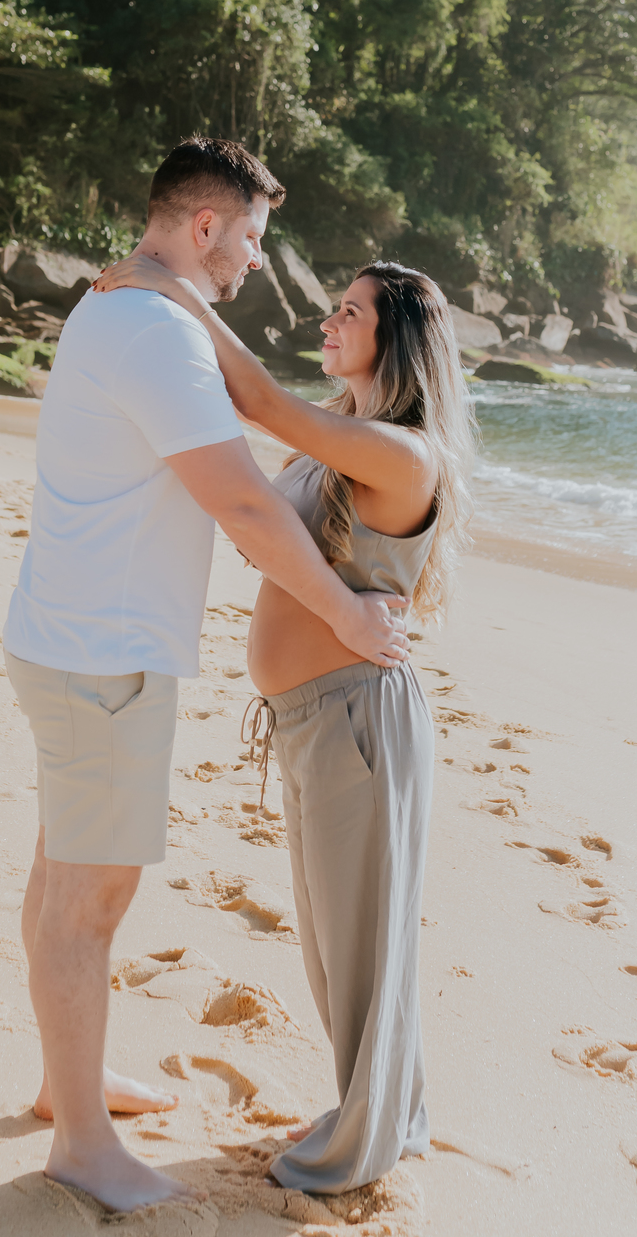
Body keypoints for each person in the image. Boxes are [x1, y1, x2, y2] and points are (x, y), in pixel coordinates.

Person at [2, 139, 410, 1214]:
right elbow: (240, 504)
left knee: (62, 878)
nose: (259, 266)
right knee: (91, 899)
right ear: (206, 228)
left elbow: (254, 421)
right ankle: (82, 1142)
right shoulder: (151, 331)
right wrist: (350, 615)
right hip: (105, 655)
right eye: (253, 242)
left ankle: (65, 1084)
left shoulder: (128, 310)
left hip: (70, 633)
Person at [93, 248, 475, 1194]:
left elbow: (255, 398)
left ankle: (360, 1146)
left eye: (351, 312)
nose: (330, 321)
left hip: (357, 719)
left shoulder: (401, 452)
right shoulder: (340, 440)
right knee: (335, 941)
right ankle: (391, 1110)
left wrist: (172, 287)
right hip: (313, 717)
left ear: (399, 341)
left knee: (361, 945)